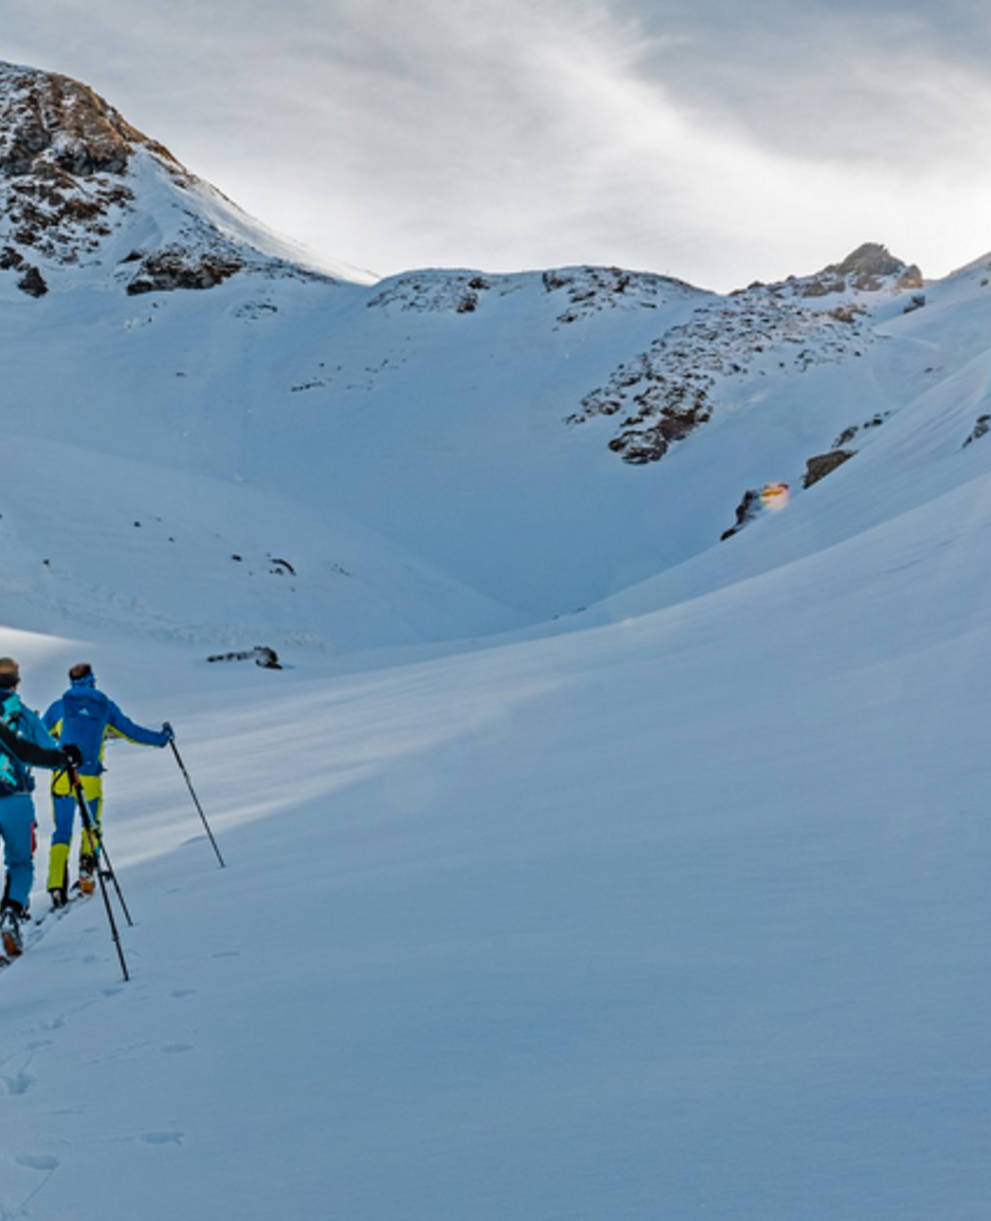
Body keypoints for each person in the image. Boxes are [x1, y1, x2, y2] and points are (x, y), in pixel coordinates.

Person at [43, 663, 172, 907]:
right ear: (92, 680)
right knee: (92, 826)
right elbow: (132, 732)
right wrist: (162, 739)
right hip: (89, 777)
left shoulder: (59, 707)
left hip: (62, 778)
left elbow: (38, 735)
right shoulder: (104, 706)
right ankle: (87, 871)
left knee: (61, 832)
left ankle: (56, 885)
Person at [0, 657, 80, 958]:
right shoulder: (21, 715)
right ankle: (11, 911)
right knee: (20, 863)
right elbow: (44, 750)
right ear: (16, 682)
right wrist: (63, 757)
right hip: (16, 798)